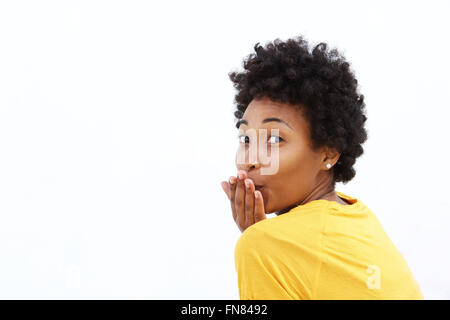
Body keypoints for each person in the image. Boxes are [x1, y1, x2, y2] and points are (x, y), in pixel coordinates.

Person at [220, 35, 424, 299]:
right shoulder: (358, 217)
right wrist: (265, 239)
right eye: (246, 139)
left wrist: (261, 243)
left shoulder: (263, 246)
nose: (251, 159)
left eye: (274, 139)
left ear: (328, 153)